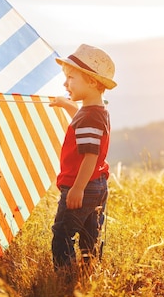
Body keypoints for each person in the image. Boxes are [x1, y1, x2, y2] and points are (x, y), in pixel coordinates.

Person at [49, 44, 117, 277]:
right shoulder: (96, 110)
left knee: (62, 232)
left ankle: (65, 276)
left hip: (82, 184)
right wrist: (67, 104)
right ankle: (90, 269)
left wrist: (77, 188)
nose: (65, 84)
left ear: (92, 82)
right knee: (90, 232)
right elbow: (81, 121)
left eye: (71, 78)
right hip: (97, 183)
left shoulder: (89, 117)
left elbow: (91, 155)